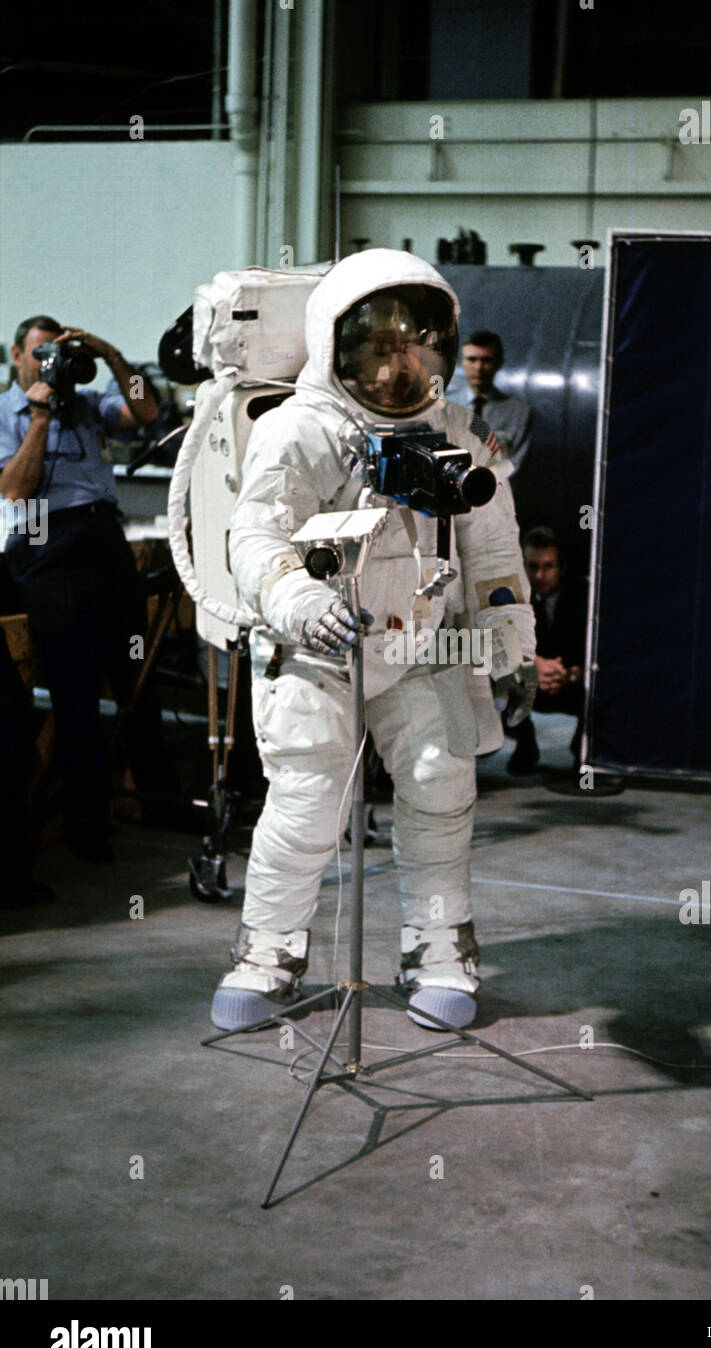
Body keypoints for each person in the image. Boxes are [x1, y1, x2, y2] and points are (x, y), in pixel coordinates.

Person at [210, 249, 537, 1035]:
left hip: (421, 643)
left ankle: (438, 948)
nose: (398, 367)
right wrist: (296, 596)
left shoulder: (456, 432)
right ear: (339, 347)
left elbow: (492, 551)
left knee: (439, 785)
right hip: (319, 644)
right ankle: (268, 952)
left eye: (415, 349)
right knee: (307, 803)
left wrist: (508, 627)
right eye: (380, 348)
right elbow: (254, 537)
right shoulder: (302, 429)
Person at [0, 315, 174, 862]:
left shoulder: (89, 400)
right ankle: (84, 827)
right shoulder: (6, 413)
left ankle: (160, 804)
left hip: (104, 539)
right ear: (15, 355)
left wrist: (112, 355)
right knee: (75, 692)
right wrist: (39, 413)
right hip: (45, 540)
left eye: (58, 354)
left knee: (136, 674)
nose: (49, 362)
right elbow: (15, 490)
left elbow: (148, 409)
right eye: (40, 353)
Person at [506, 526, 584, 776]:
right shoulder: (513, 598)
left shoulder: (583, 597)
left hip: (572, 681)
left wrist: (571, 673)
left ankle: (582, 752)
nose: (539, 575)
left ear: (562, 567)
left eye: (548, 566)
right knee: (491, 677)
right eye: (532, 566)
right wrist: (533, 667)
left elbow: (595, 650)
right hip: (528, 682)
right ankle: (525, 742)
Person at [446, 330, 533, 475]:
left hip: (497, 493)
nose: (479, 367)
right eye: (472, 359)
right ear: (462, 362)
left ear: (499, 363)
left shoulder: (519, 413)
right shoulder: (445, 408)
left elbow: (515, 466)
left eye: (486, 360)